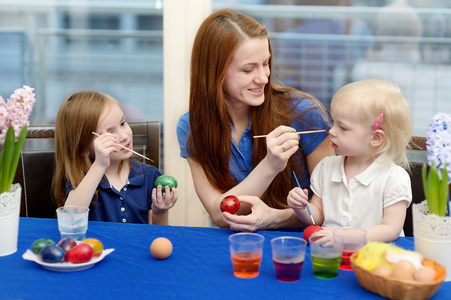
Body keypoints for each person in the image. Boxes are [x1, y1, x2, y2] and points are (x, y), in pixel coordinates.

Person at [176, 9, 334, 232]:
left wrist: (275, 218)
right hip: (236, 246)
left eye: (266, 63)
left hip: (301, 244)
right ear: (214, 73)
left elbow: (329, 206)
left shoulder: (304, 112)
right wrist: (271, 165)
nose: (263, 77)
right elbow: (219, 213)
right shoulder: (192, 126)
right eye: (248, 69)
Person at [287, 79, 413, 242]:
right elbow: (316, 216)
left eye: (343, 127)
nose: (331, 131)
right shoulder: (326, 167)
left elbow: (390, 230)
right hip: (332, 254)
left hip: (374, 258)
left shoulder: (394, 178)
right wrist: (302, 208)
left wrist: (343, 236)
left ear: (375, 137)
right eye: (333, 122)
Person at [52, 90, 178, 225]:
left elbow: (158, 236)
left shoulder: (149, 175)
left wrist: (160, 212)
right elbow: (70, 219)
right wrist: (100, 165)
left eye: (123, 123)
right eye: (110, 133)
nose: (124, 136)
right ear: (83, 148)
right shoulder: (82, 179)